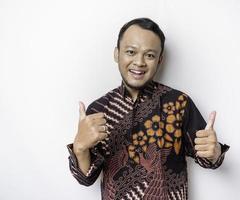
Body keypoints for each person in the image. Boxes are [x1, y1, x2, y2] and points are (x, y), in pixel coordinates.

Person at [67, 17, 230, 200]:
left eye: (150, 55)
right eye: (131, 52)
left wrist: (214, 152)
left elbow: (207, 159)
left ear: (159, 60)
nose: (140, 62)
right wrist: (80, 147)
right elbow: (86, 178)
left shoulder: (179, 103)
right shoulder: (99, 110)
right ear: (116, 53)